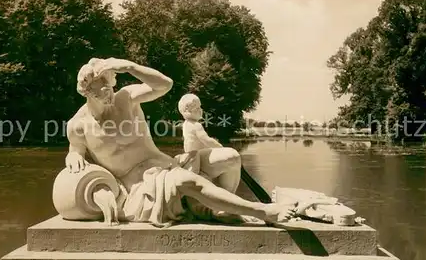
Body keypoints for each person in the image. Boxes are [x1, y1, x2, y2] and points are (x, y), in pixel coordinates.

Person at [65, 57, 298, 226]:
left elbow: (164, 85)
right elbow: (75, 151)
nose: (109, 93)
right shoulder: (77, 125)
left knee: (230, 157)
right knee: (188, 181)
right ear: (86, 90)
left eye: (111, 86)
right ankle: (262, 211)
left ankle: (215, 209)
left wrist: (129, 66)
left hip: (167, 163)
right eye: (102, 88)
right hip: (139, 186)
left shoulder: (125, 98)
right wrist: (73, 154)